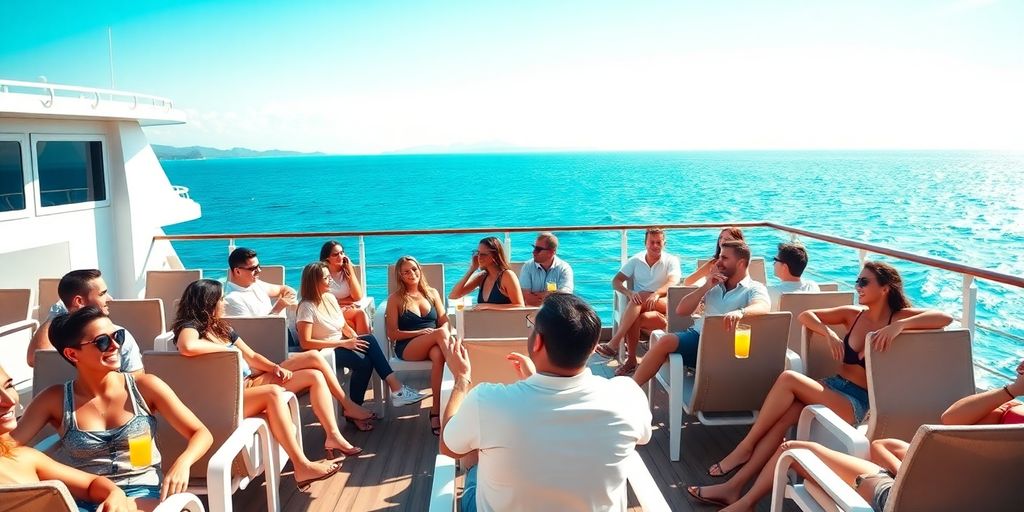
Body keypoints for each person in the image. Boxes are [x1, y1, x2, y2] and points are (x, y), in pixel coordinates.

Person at [685, 261, 953, 508]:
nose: (857, 286)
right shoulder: (854, 315)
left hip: (857, 402)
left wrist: (900, 326)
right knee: (781, 422)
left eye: (864, 282)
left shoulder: (896, 317)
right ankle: (737, 491)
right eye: (857, 281)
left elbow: (944, 318)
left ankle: (745, 447)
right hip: (833, 387)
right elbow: (807, 316)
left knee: (789, 378)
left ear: (885, 288)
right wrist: (828, 334)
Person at [711, 360, 1024, 512]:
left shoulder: (1007, 411)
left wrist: (1011, 390)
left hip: (906, 500)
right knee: (887, 446)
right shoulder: (1011, 420)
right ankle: (740, 493)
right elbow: (950, 419)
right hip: (945, 493)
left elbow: (949, 418)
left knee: (792, 450)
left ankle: (746, 502)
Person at [440, 294, 652, 512]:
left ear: (538, 341)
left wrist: (461, 380)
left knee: (475, 456)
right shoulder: (626, 395)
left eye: (532, 327)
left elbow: (448, 447)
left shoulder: (486, 402)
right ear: (592, 347)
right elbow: (642, 437)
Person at [13, 307, 213, 510]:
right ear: (72, 354)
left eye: (118, 335)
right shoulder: (54, 399)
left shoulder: (145, 387)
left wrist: (183, 463)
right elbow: (9, 446)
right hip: (85, 500)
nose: (115, 345)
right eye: (102, 341)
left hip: (142, 492)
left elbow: (201, 433)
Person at [172, 279, 348, 488]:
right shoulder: (190, 328)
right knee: (273, 393)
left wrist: (274, 367)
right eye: (220, 300)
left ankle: (332, 436)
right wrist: (226, 351)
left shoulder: (222, 328)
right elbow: (187, 346)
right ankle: (302, 467)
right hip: (225, 398)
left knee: (312, 374)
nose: (225, 303)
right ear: (208, 303)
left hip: (247, 383)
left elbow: (252, 356)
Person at [1, 363, 141, 512]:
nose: (10, 401)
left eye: (9, 386)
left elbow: (90, 484)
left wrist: (114, 493)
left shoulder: (22, 457)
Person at [631, 240, 771, 387]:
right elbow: (681, 310)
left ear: (741, 263)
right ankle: (631, 387)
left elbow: (763, 305)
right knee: (665, 343)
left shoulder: (754, 288)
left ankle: (632, 384)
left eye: (725, 258)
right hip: (699, 338)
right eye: (720, 257)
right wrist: (706, 286)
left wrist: (740, 312)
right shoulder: (713, 283)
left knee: (663, 348)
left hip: (727, 348)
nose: (719, 262)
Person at [295, 263, 428, 417]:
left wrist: (354, 338)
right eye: (326, 278)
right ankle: (396, 390)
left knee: (366, 356)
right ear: (314, 282)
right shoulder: (306, 307)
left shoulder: (329, 297)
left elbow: (343, 325)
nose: (331, 280)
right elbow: (305, 342)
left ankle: (356, 409)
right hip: (323, 352)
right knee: (366, 351)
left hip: (340, 345)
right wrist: (343, 343)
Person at [595, 228, 681, 376]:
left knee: (638, 298)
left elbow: (673, 282)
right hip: (641, 308)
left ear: (664, 243)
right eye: (651, 242)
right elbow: (616, 281)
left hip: (663, 304)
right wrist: (629, 292)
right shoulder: (636, 260)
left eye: (658, 242)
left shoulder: (671, 260)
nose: (655, 245)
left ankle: (615, 343)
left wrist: (656, 293)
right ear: (645, 243)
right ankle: (632, 360)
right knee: (635, 315)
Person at [26, 269, 143, 374]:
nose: (110, 299)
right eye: (102, 294)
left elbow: (136, 382)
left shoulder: (118, 334)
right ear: (79, 301)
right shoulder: (116, 334)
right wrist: (54, 316)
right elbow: (35, 359)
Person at [385, 256, 451, 435]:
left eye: (414, 269)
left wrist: (439, 332)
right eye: (406, 271)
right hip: (408, 346)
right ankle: (458, 374)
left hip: (435, 343)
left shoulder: (432, 293)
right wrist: (420, 333)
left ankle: (436, 411)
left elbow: (444, 321)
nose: (412, 274)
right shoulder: (396, 299)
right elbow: (392, 334)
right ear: (400, 275)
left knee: (438, 355)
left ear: (419, 270)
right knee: (440, 334)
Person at [449, 236, 525, 309]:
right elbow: (454, 295)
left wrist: (488, 306)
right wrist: (472, 269)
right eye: (477, 253)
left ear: (495, 256)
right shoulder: (482, 277)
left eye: (483, 254)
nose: (479, 257)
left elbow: (520, 306)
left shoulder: (507, 275)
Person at [223, 247, 297, 317]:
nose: (259, 270)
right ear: (238, 271)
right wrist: (277, 309)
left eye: (259, 266)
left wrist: (284, 301)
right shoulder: (231, 300)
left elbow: (286, 290)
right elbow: (249, 329)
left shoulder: (256, 284)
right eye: (253, 268)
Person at [319, 240, 370, 334]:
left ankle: (363, 345)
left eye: (342, 253)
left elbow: (357, 296)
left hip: (344, 309)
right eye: (335, 254)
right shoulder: (322, 274)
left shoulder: (346, 272)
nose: (341, 256)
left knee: (351, 323)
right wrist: (342, 302)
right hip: (327, 310)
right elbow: (319, 298)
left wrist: (350, 270)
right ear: (327, 258)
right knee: (359, 314)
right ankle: (367, 345)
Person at [518, 232, 574, 306]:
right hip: (532, 313)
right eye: (534, 248)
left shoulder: (564, 269)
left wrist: (543, 296)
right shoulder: (527, 267)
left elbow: (565, 297)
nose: (534, 252)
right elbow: (527, 298)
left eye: (538, 249)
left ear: (551, 252)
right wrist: (551, 295)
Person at [767, 242, 820, 309]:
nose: (774, 264)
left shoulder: (770, 292)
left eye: (776, 260)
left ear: (784, 266)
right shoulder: (813, 287)